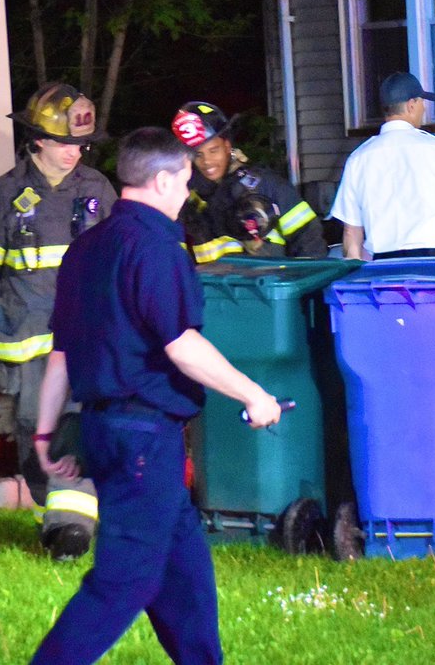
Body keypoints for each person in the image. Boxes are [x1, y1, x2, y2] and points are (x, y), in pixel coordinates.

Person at [29, 127, 283, 664]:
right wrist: (253, 393)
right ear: (164, 178)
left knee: (185, 575)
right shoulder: (157, 247)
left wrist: (45, 433)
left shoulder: (85, 249)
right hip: (145, 437)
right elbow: (183, 345)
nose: (187, 191)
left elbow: (61, 355)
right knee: (123, 582)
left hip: (107, 430)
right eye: (185, 180)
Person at [0, 82, 115, 560]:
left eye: (81, 145)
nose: (75, 152)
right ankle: (55, 516)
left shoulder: (97, 190)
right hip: (24, 337)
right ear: (39, 140)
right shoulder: (6, 194)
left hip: (87, 335)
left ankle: (70, 527)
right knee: (33, 429)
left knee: (79, 424)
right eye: (66, 143)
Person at [330, 71, 435, 260]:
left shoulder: (358, 159)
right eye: (421, 103)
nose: (424, 110)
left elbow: (352, 233)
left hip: (385, 272)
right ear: (411, 105)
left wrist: (356, 280)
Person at [171, 101, 326, 262]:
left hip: (267, 284)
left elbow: (309, 238)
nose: (207, 161)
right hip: (214, 286)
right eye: (198, 154)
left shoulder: (265, 185)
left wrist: (303, 283)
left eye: (213, 150)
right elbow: (176, 258)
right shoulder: (189, 200)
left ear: (227, 145)